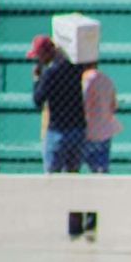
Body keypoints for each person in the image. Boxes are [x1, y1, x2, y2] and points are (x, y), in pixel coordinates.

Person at [27, 34, 86, 173]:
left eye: (39, 56)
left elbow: (37, 101)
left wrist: (36, 79)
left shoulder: (50, 74)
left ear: (46, 54)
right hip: (78, 128)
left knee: (52, 177)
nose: (38, 60)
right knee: (73, 175)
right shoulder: (75, 69)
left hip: (58, 129)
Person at [80, 63, 123, 173]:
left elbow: (83, 104)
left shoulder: (86, 80)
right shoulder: (106, 79)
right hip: (104, 130)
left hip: (88, 132)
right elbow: (113, 105)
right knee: (101, 169)